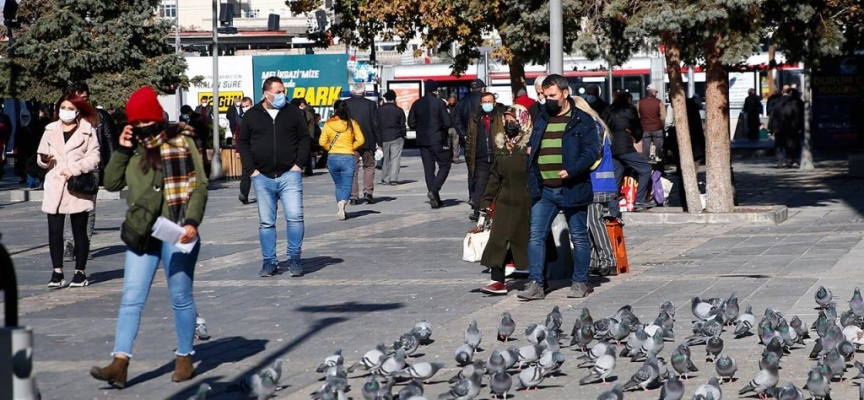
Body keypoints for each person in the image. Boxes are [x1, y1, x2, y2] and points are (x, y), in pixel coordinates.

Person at [91, 86, 208, 388]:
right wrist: (121, 148)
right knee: (131, 298)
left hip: (176, 230)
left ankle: (185, 357)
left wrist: (193, 221)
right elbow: (111, 183)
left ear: (156, 118)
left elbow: (200, 184)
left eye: (146, 122)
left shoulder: (182, 141)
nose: (142, 128)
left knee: (180, 297)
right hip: (142, 232)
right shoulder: (133, 149)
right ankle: (120, 362)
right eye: (136, 123)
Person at [516, 74, 600, 301]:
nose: (548, 100)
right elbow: (536, 143)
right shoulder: (542, 117)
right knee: (536, 235)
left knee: (579, 236)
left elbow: (592, 151)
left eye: (552, 96)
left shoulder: (582, 120)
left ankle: (580, 282)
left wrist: (572, 170)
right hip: (544, 189)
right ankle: (536, 284)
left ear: (565, 93)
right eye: (544, 96)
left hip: (572, 187)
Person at [238, 76, 310, 278]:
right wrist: (252, 169)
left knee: (295, 218)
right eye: (278, 92)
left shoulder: (294, 113)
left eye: (283, 91)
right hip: (262, 176)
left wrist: (298, 165)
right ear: (266, 94)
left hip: (290, 174)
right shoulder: (252, 115)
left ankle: (294, 259)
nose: (282, 95)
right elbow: (243, 142)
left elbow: (305, 139)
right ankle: (269, 262)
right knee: (266, 222)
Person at [37, 93, 101, 288]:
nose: (66, 112)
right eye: (63, 108)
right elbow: (40, 155)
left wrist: (74, 169)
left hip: (77, 185)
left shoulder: (87, 130)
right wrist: (44, 160)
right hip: (55, 184)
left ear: (78, 111)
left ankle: (80, 272)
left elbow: (95, 156)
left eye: (70, 108)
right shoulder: (50, 129)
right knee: (55, 232)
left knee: (79, 232)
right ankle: (57, 272)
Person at [478, 105, 532, 295]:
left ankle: (538, 277)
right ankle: (497, 280)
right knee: (498, 239)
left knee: (527, 239)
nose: (509, 124)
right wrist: (486, 201)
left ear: (522, 120)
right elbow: (495, 176)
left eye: (513, 121)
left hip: (526, 200)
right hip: (504, 200)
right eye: (507, 121)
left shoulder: (530, 145)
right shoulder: (502, 146)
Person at [63, 82, 118, 262]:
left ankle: (83, 243)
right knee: (71, 205)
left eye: (85, 98)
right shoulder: (65, 116)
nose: (83, 101)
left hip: (91, 166)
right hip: (70, 165)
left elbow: (109, 142)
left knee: (89, 206)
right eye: (79, 98)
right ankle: (69, 244)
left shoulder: (97, 116)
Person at [573, 96, 618, 276]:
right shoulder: (594, 123)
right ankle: (593, 260)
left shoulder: (592, 125)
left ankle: (608, 259)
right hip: (597, 181)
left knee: (594, 220)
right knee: (590, 221)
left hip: (597, 182)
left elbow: (593, 155)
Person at [603, 91, 654, 211]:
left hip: (611, 147)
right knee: (645, 169)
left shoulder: (608, 110)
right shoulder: (629, 110)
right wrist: (637, 137)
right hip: (625, 147)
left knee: (617, 173)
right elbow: (637, 128)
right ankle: (640, 200)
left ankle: (612, 205)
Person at [408, 80, 452, 209]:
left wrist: (421, 127)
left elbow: (411, 123)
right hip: (437, 139)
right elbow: (448, 122)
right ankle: (434, 189)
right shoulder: (439, 103)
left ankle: (435, 199)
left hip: (422, 140)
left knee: (428, 169)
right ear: (435, 90)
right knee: (445, 165)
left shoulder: (417, 103)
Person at [319, 100, 365, 220]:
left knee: (338, 185)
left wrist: (330, 147)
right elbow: (361, 140)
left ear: (334, 110)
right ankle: (343, 203)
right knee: (347, 185)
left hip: (332, 158)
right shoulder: (352, 123)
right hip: (347, 157)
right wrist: (351, 147)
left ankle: (341, 208)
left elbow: (321, 142)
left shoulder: (329, 124)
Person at [465, 92, 503, 221]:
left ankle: (496, 210)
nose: (487, 104)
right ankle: (478, 211)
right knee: (480, 185)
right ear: (481, 104)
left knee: (497, 185)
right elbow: (470, 138)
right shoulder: (475, 117)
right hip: (480, 157)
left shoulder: (499, 116)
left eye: (489, 102)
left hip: (496, 156)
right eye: (485, 102)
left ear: (494, 103)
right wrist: (469, 155)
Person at [345, 83, 380, 204]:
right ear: (364, 92)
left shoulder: (346, 104)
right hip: (368, 140)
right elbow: (375, 124)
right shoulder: (371, 104)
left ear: (353, 92)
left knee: (352, 170)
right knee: (369, 166)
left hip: (351, 142)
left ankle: (354, 196)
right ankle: (368, 192)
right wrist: (378, 142)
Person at [453, 79, 486, 204]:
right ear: (482, 89)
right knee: (484, 168)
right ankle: (480, 195)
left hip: (469, 141)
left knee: (471, 169)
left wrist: (464, 135)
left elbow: (455, 120)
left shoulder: (462, 102)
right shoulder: (484, 101)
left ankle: (472, 195)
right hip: (483, 139)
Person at [769, 87, 804, 168]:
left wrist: (770, 127)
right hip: (790, 127)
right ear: (790, 92)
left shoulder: (776, 101)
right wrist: (799, 127)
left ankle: (780, 161)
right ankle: (789, 160)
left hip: (778, 127)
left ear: (782, 91)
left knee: (779, 144)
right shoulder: (794, 102)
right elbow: (797, 116)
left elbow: (772, 115)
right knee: (790, 144)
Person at [378, 90, 406, 186]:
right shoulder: (399, 110)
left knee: (385, 159)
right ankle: (393, 179)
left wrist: (378, 139)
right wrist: (403, 135)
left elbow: (376, 125)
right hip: (396, 137)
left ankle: (385, 178)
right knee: (395, 159)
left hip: (383, 137)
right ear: (394, 98)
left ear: (385, 99)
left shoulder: (379, 110)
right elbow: (403, 125)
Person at [638, 84, 666, 162]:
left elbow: (637, 114)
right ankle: (659, 162)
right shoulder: (659, 102)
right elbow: (663, 116)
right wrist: (662, 126)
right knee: (658, 148)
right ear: (653, 92)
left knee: (646, 148)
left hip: (645, 129)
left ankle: (646, 162)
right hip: (657, 129)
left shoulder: (640, 102)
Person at [290, 97, 318, 177]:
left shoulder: (289, 113)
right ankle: (308, 170)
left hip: (294, 136)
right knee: (307, 154)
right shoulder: (306, 113)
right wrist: (310, 137)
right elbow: (311, 127)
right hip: (305, 136)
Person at [236, 97, 254, 204]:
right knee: (246, 172)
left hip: (258, 147)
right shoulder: (240, 119)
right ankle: (244, 194)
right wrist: (238, 150)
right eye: (243, 107)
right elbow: (238, 136)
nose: (245, 108)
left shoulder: (258, 116)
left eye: (246, 106)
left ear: (251, 105)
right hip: (246, 149)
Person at [446, 94, 462, 164]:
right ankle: (449, 157)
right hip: (447, 127)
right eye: (450, 99)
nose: (452, 101)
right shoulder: (445, 107)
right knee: (448, 143)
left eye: (453, 99)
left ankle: (455, 158)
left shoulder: (458, 107)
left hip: (455, 128)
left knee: (456, 143)